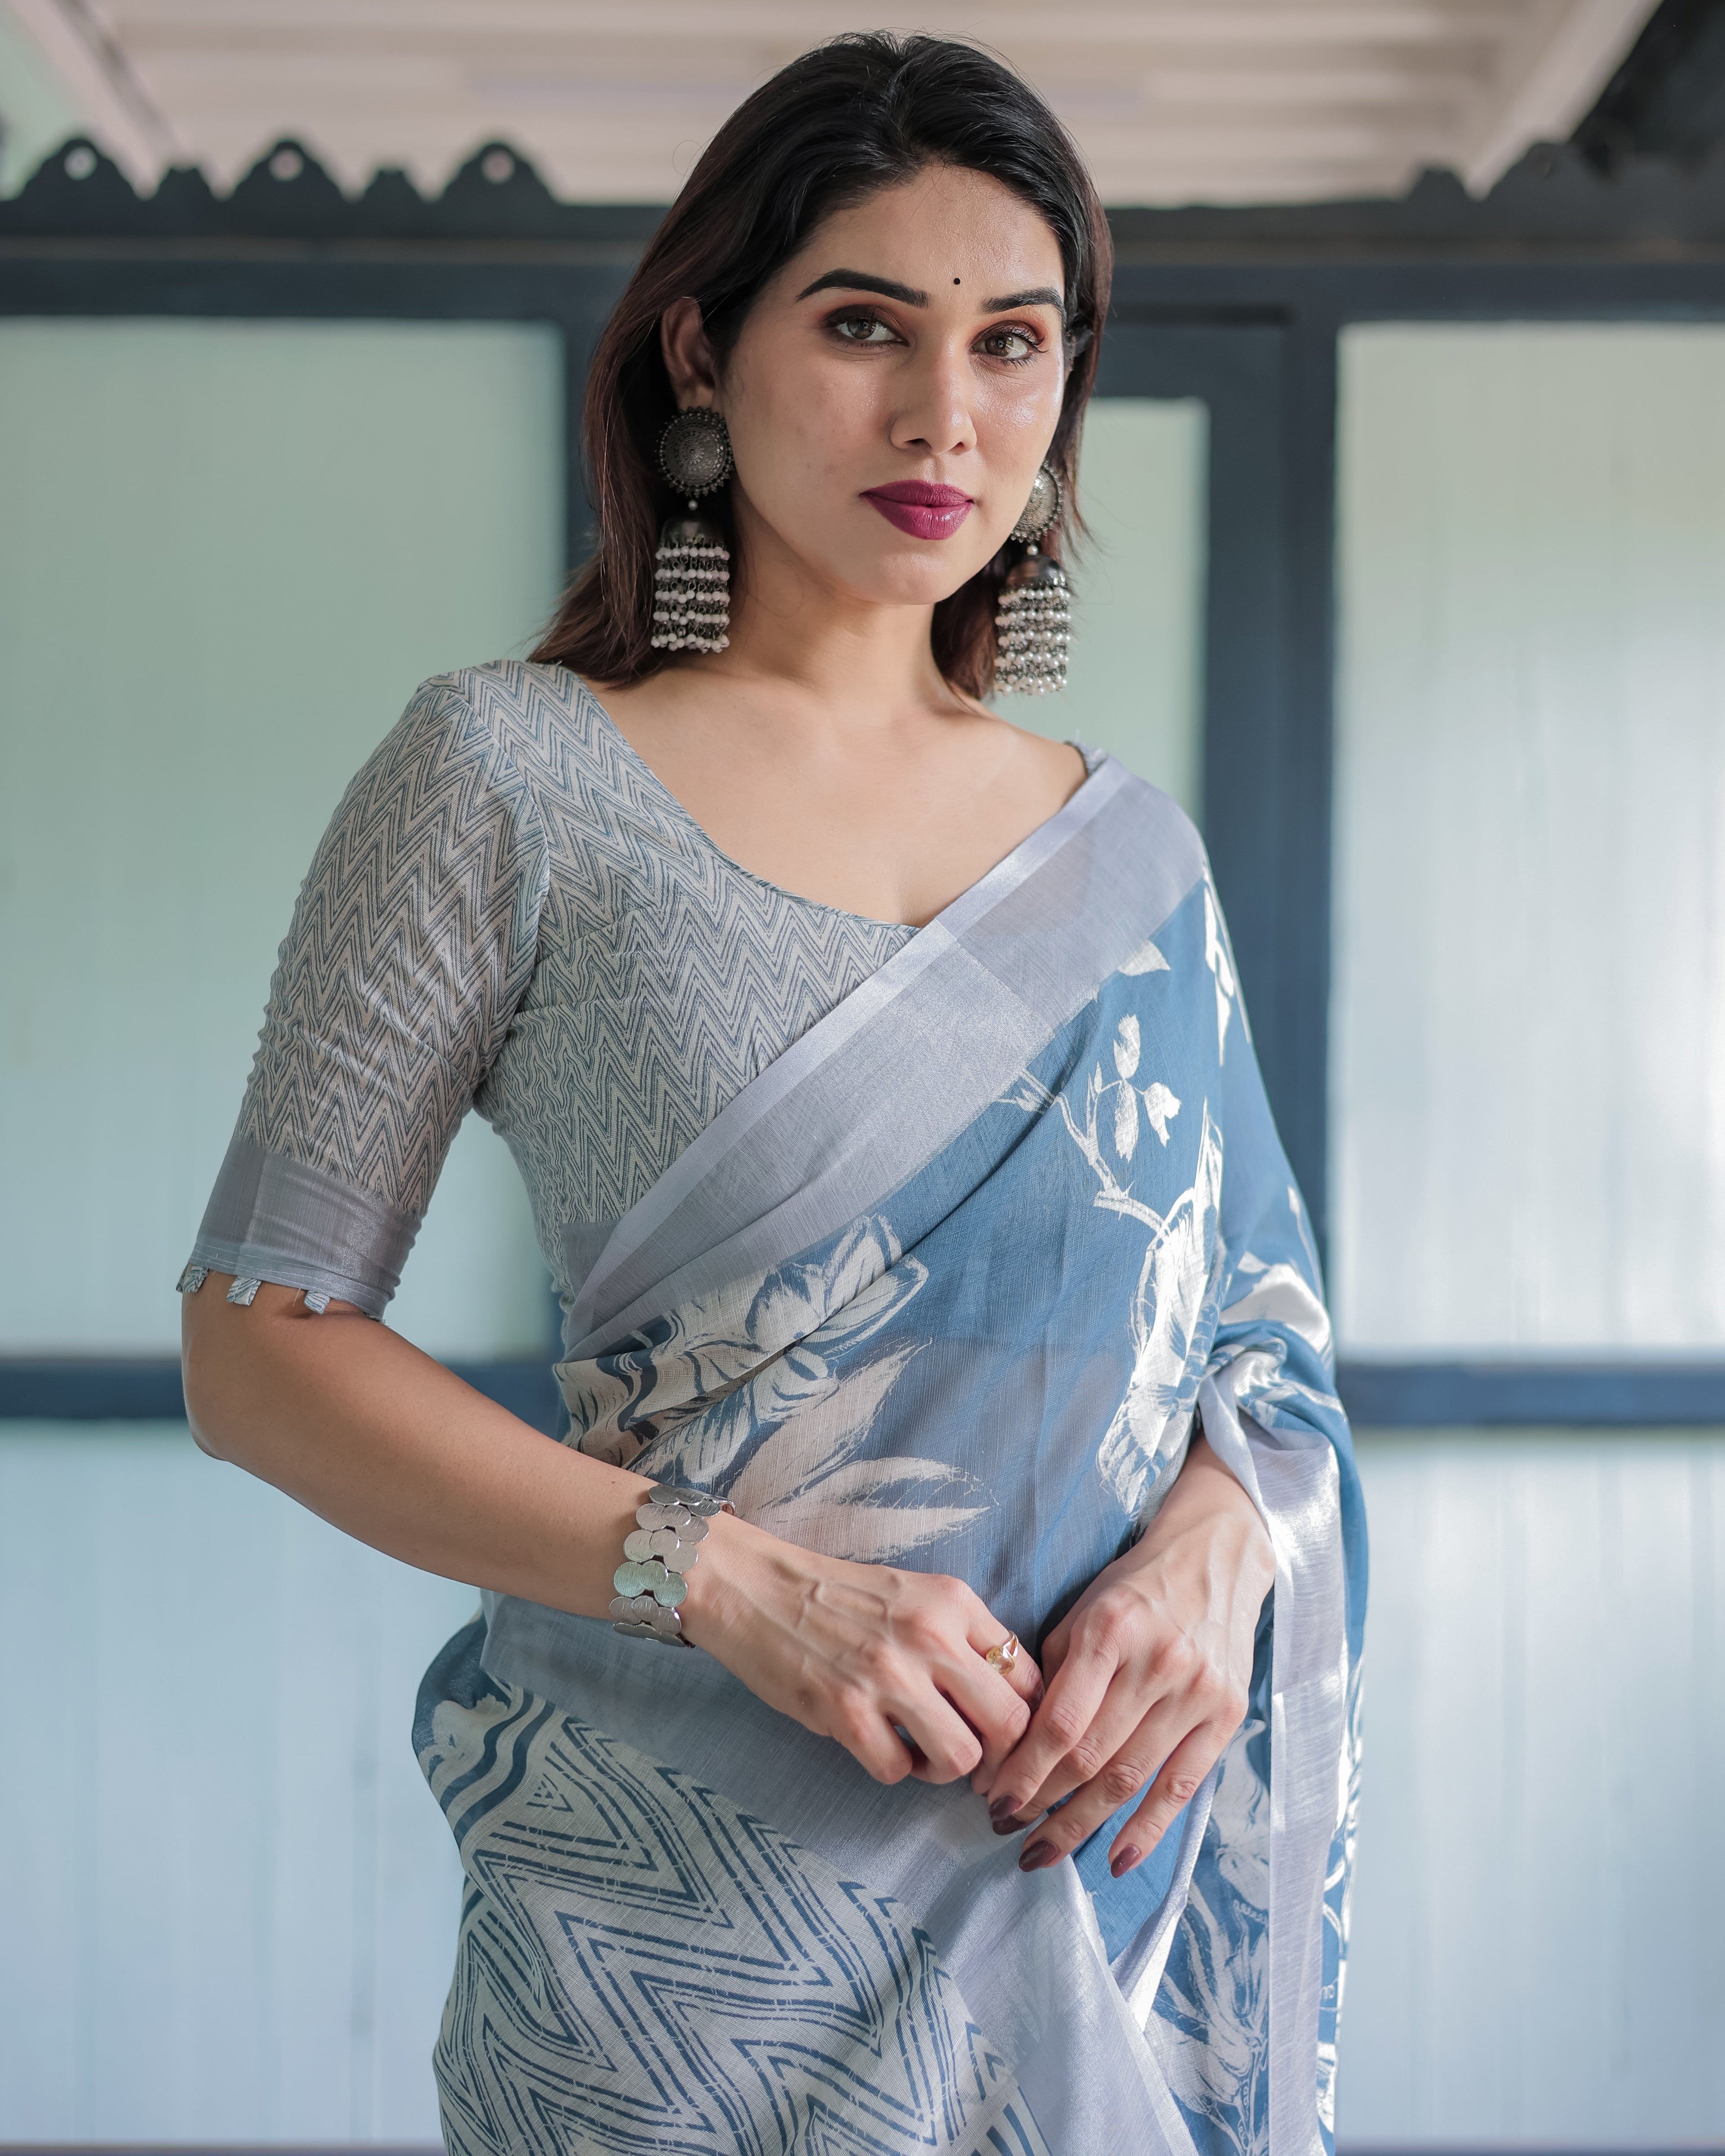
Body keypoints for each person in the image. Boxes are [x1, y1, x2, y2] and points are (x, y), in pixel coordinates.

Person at [179, 33, 1365, 2156]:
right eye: (865, 326)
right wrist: (727, 1581)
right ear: (700, 354)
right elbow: (257, 1353)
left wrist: (1222, 1548)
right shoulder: (508, 777)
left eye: (1014, 343)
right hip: (661, 1955)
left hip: (1078, 1918)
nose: (946, 416)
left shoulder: (1130, 861)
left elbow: (1265, 1338)